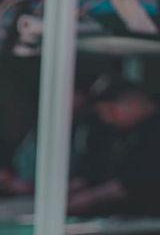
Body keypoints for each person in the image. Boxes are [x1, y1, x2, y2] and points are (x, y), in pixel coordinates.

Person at [67, 75, 160, 217]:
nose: (107, 119)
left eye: (111, 111)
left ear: (134, 103)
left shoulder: (154, 132)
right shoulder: (121, 133)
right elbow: (97, 170)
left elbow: (135, 181)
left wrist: (90, 198)